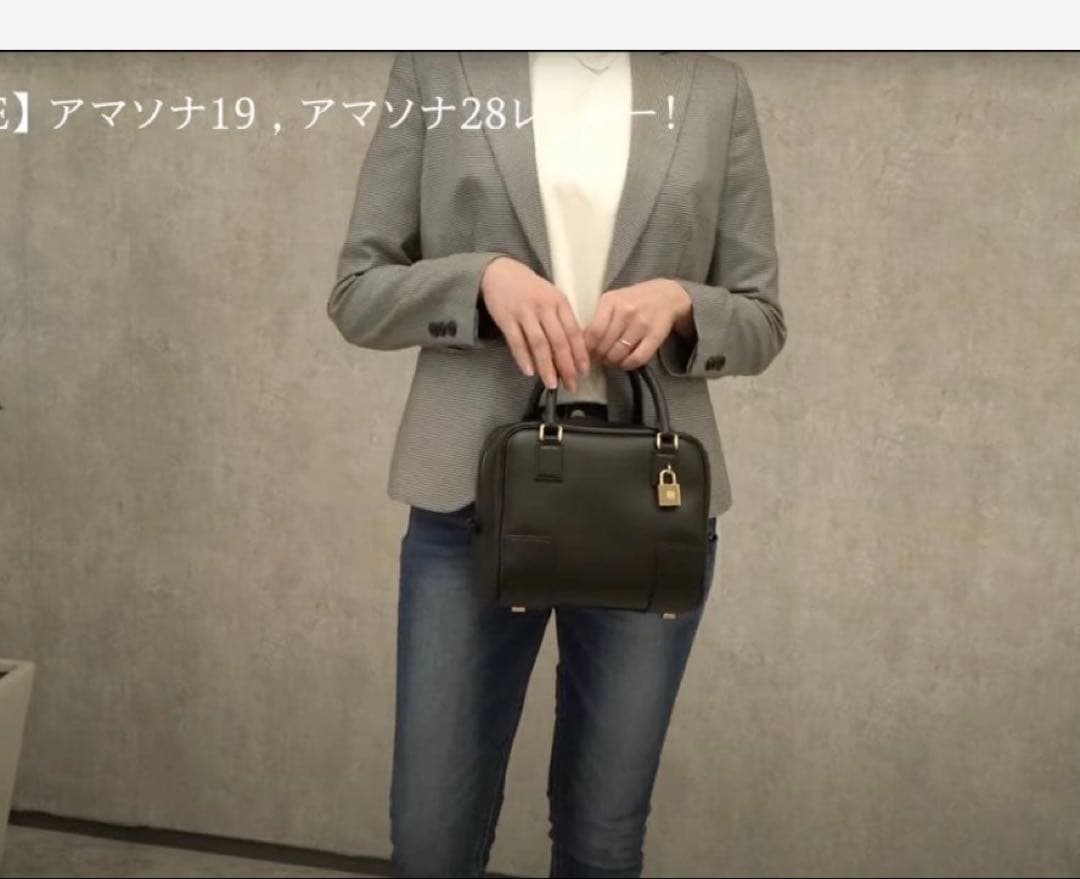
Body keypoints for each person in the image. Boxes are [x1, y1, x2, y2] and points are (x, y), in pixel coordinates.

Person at [327, 50, 784, 878]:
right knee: (431, 843)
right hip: (469, 501)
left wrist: (684, 302)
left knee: (602, 842)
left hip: (649, 511)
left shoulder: (712, 87)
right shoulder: (441, 67)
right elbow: (358, 292)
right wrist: (480, 280)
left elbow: (760, 317)